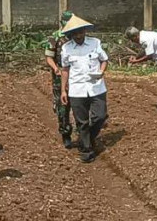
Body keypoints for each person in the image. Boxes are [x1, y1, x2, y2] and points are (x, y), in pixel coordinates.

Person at [60, 15, 109, 163]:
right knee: (81, 122)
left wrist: (101, 72)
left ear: (85, 32)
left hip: (96, 88)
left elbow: (104, 60)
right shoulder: (66, 48)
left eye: (81, 32)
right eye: (75, 33)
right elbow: (65, 69)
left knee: (100, 116)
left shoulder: (95, 43)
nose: (79, 36)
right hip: (77, 89)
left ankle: (87, 138)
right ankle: (86, 150)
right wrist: (63, 90)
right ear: (71, 35)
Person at [44, 10, 75, 149]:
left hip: (77, 76)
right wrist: (55, 68)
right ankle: (65, 133)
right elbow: (49, 57)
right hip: (59, 76)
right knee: (63, 107)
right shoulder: (55, 37)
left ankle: (84, 133)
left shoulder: (77, 35)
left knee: (80, 105)